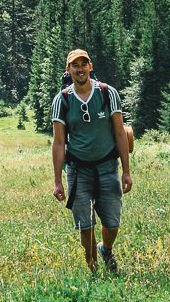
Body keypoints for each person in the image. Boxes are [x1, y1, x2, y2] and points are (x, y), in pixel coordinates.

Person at [52, 48, 133, 273]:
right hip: (78, 171)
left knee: (112, 222)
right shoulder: (63, 100)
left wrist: (126, 171)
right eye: (75, 65)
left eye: (83, 63)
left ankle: (106, 249)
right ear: (68, 70)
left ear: (90, 66)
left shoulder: (108, 93)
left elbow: (119, 133)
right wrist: (58, 181)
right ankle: (94, 269)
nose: (80, 68)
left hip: (107, 167)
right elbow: (59, 142)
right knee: (85, 224)